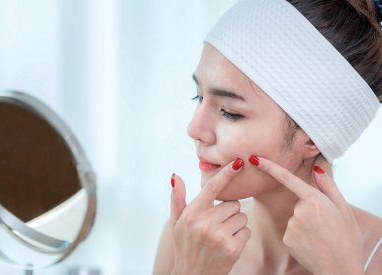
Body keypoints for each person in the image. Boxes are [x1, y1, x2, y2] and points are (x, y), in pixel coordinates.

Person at [154, 0, 382, 274]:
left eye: (229, 112)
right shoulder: (190, 240)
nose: (194, 129)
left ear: (311, 137)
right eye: (198, 97)